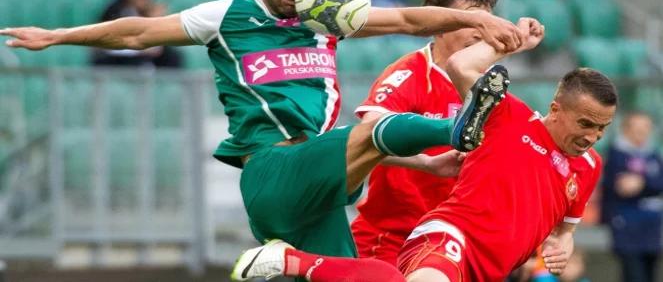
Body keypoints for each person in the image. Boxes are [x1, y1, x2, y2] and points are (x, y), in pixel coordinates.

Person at [2, 0, 525, 273]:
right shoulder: (225, 16)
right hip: (271, 169)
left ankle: (277, 263)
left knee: (375, 276)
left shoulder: (326, 17)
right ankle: (460, 125)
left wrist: (475, 18)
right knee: (370, 130)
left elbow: (411, 19)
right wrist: (59, 34)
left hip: (317, 188)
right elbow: (138, 32)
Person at [231, 26, 619, 281]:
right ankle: (288, 260)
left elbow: (565, 230)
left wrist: (561, 245)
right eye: (585, 123)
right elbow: (460, 63)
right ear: (556, 109)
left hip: (491, 271)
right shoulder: (511, 116)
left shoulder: (589, 166)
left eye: (602, 127)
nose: (594, 135)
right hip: (449, 238)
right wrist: (508, 39)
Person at [351, 0, 498, 266]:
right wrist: (427, 164)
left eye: (488, 22)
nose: (481, 32)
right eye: (471, 21)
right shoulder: (409, 74)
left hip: (453, 238)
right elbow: (363, 137)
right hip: (392, 237)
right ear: (439, 26)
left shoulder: (488, 85)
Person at [601, 111, 663, 282]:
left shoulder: (653, 155)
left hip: (652, 230)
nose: (642, 132)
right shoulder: (616, 155)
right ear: (626, 129)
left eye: (646, 128)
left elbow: (659, 183)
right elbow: (621, 187)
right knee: (634, 275)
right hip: (627, 229)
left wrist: (642, 183)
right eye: (637, 128)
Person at [93, 0, 181, 68]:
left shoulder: (148, 11)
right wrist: (139, 49)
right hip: (117, 58)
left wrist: (157, 21)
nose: (147, 1)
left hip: (143, 55)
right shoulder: (116, 10)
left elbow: (156, 47)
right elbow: (105, 43)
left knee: (172, 56)